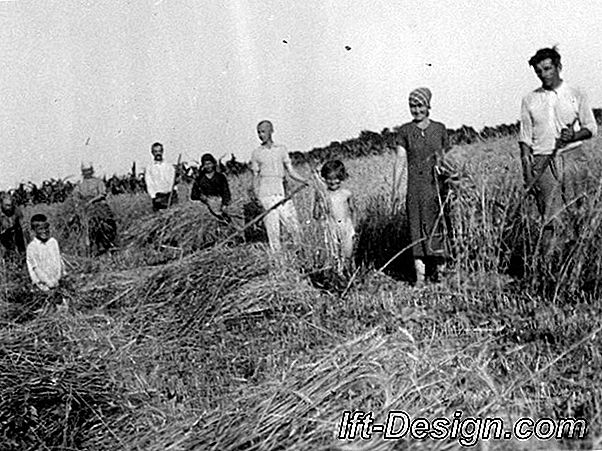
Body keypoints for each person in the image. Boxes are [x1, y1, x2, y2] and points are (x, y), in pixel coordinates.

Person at [519, 46, 598, 234]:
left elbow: (591, 128)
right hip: (542, 162)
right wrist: (528, 174)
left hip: (572, 158)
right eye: (538, 71)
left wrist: (574, 135)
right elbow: (525, 139)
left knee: (579, 213)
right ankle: (552, 261)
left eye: (547, 69)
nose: (543, 74)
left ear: (558, 66)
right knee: (551, 219)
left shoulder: (576, 93)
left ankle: (578, 260)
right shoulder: (529, 99)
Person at [397, 87, 451, 286]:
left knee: (437, 226)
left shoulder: (439, 128)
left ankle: (441, 275)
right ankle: (420, 277)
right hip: (415, 189)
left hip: (436, 188)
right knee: (416, 229)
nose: (416, 110)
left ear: (428, 106)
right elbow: (400, 161)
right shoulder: (405, 131)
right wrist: (396, 189)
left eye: (420, 105)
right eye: (412, 106)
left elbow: (447, 159)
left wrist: (450, 180)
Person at [250, 120, 308, 252]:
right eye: (258, 132)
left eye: (263, 131)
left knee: (293, 224)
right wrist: (257, 196)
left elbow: (291, 171)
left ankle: (301, 251)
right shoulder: (257, 153)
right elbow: (255, 177)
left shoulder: (281, 149)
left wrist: (304, 180)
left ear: (271, 131)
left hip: (281, 192)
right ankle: (277, 258)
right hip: (265, 194)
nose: (261, 135)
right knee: (272, 228)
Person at [313, 160, 356, 272]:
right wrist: (318, 201)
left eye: (336, 179)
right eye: (329, 179)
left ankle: (349, 273)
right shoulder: (323, 194)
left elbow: (353, 210)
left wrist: (354, 228)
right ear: (324, 178)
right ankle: (337, 275)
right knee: (334, 254)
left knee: (347, 253)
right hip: (331, 228)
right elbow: (316, 215)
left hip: (346, 227)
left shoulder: (346, 193)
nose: (333, 182)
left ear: (342, 178)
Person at [72, 164, 117, 255]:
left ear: (92, 171)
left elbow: (102, 193)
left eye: (89, 170)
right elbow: (75, 195)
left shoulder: (98, 181)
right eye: (85, 171)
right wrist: (78, 203)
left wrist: (92, 201)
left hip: (98, 204)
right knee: (77, 222)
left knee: (106, 221)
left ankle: (107, 243)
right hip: (85, 206)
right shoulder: (80, 184)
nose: (87, 173)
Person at [26, 214, 64, 292]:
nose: (44, 231)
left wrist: (58, 278)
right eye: (40, 229)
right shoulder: (32, 247)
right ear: (34, 230)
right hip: (42, 287)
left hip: (57, 283)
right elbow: (36, 268)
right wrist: (48, 282)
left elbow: (58, 261)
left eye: (46, 228)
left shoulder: (53, 242)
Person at [190, 153, 232, 221]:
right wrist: (202, 197)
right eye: (205, 164)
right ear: (203, 165)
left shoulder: (220, 177)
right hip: (206, 205)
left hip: (219, 202)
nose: (208, 166)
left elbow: (226, 191)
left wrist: (225, 204)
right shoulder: (200, 179)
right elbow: (193, 195)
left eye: (209, 163)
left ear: (213, 164)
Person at [146, 142, 178, 212]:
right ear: (152, 153)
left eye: (159, 151)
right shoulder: (150, 168)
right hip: (159, 197)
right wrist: (153, 197)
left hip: (171, 195)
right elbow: (149, 184)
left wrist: (174, 193)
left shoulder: (169, 166)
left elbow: (173, 181)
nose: (158, 153)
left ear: (162, 151)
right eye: (155, 151)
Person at [0, 192, 28, 261]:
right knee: (7, 251)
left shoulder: (17, 210)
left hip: (16, 231)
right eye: (7, 205)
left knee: (21, 248)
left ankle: (23, 259)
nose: (9, 208)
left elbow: (23, 225)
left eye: (10, 205)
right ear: (1, 204)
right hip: (3, 234)